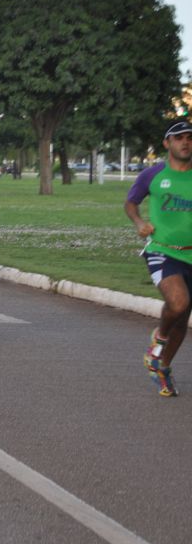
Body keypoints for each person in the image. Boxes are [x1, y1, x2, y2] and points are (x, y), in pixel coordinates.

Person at [124, 120, 192, 397]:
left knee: (182, 319)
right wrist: (139, 222)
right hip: (162, 250)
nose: (185, 142)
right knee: (178, 302)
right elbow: (130, 203)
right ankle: (159, 338)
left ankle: (161, 366)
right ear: (167, 143)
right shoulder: (152, 175)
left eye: (189, 138)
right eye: (179, 138)